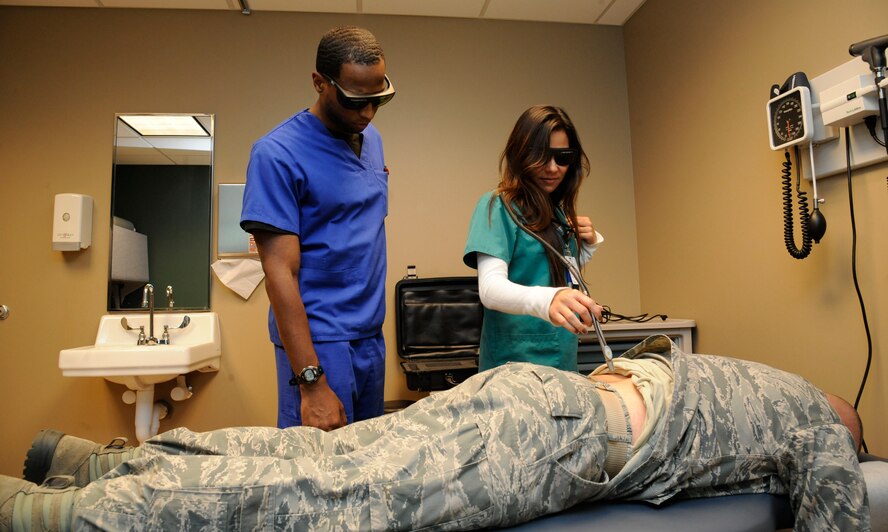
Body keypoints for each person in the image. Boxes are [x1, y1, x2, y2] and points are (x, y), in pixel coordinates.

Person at [0, 335, 869, 531]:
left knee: (324, 455)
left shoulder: (743, 373)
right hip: (561, 437)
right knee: (330, 498)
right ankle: (61, 519)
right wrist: (849, 464)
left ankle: (92, 464)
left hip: (537, 393)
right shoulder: (816, 422)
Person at [240, 26, 396, 431]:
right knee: (317, 482)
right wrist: (311, 382)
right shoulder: (276, 154)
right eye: (355, 101)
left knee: (366, 469)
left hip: (368, 338)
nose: (367, 113)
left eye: (378, 100)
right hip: (320, 342)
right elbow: (279, 273)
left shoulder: (371, 137)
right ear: (319, 83)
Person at [464, 105, 606, 372]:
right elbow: (491, 290)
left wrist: (587, 244)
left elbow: (553, 273)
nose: (552, 168)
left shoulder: (558, 213)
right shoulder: (497, 206)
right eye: (542, 156)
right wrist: (548, 300)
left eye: (562, 157)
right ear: (520, 154)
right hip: (513, 369)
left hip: (561, 364)